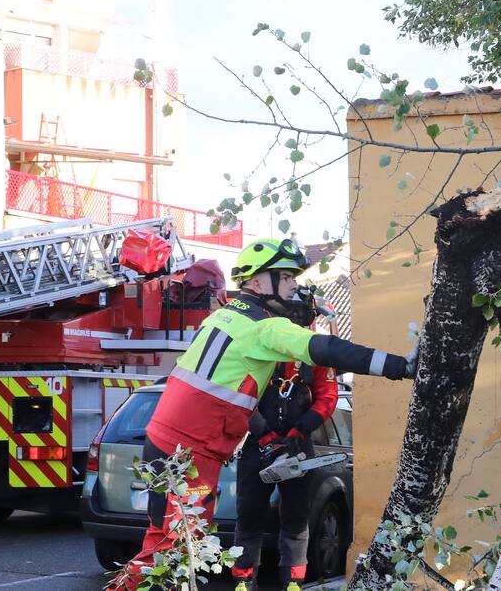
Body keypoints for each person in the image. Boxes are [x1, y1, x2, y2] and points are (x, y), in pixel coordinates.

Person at [110, 238, 412, 591]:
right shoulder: (265, 328)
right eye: (286, 278)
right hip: (190, 454)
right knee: (177, 556)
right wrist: (401, 366)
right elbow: (328, 349)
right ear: (257, 283)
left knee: (162, 549)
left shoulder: (224, 315)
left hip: (168, 443)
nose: (294, 285)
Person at [231, 356, 338, 591]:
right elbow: (239, 394)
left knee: (297, 516)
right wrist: (264, 435)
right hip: (257, 446)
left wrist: (299, 431)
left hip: (298, 446)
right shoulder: (256, 350)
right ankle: (243, 579)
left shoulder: (315, 355)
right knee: (248, 514)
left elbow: (328, 398)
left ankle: (292, 581)